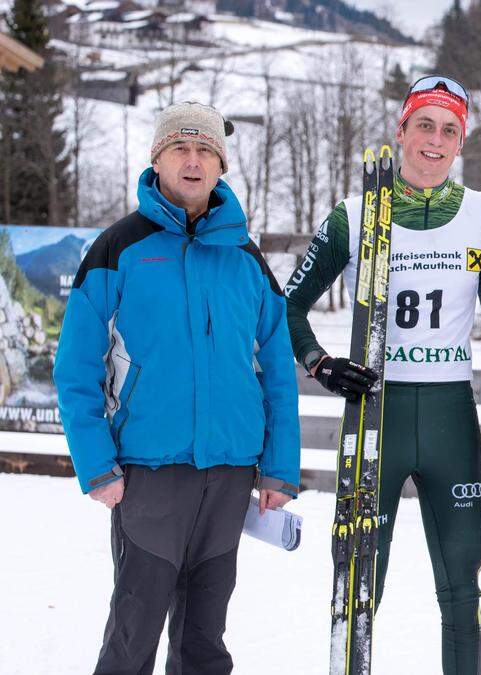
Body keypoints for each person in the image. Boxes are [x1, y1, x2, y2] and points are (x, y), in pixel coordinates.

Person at [282, 74, 481, 674]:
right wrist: (320, 362)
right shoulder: (357, 212)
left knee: (464, 593)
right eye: (424, 126)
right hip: (374, 418)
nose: (435, 141)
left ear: (461, 142)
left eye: (449, 130)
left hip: (450, 418)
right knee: (359, 589)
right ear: (401, 131)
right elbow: (285, 306)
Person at [54, 101, 301, 675]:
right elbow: (75, 370)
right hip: (147, 476)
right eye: (180, 149)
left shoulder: (246, 260)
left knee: (204, 641)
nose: (193, 162)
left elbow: (277, 371)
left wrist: (278, 468)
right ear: (157, 157)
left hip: (229, 475)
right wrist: (97, 466)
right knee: (132, 634)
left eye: (205, 151)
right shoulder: (118, 249)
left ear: (221, 164)